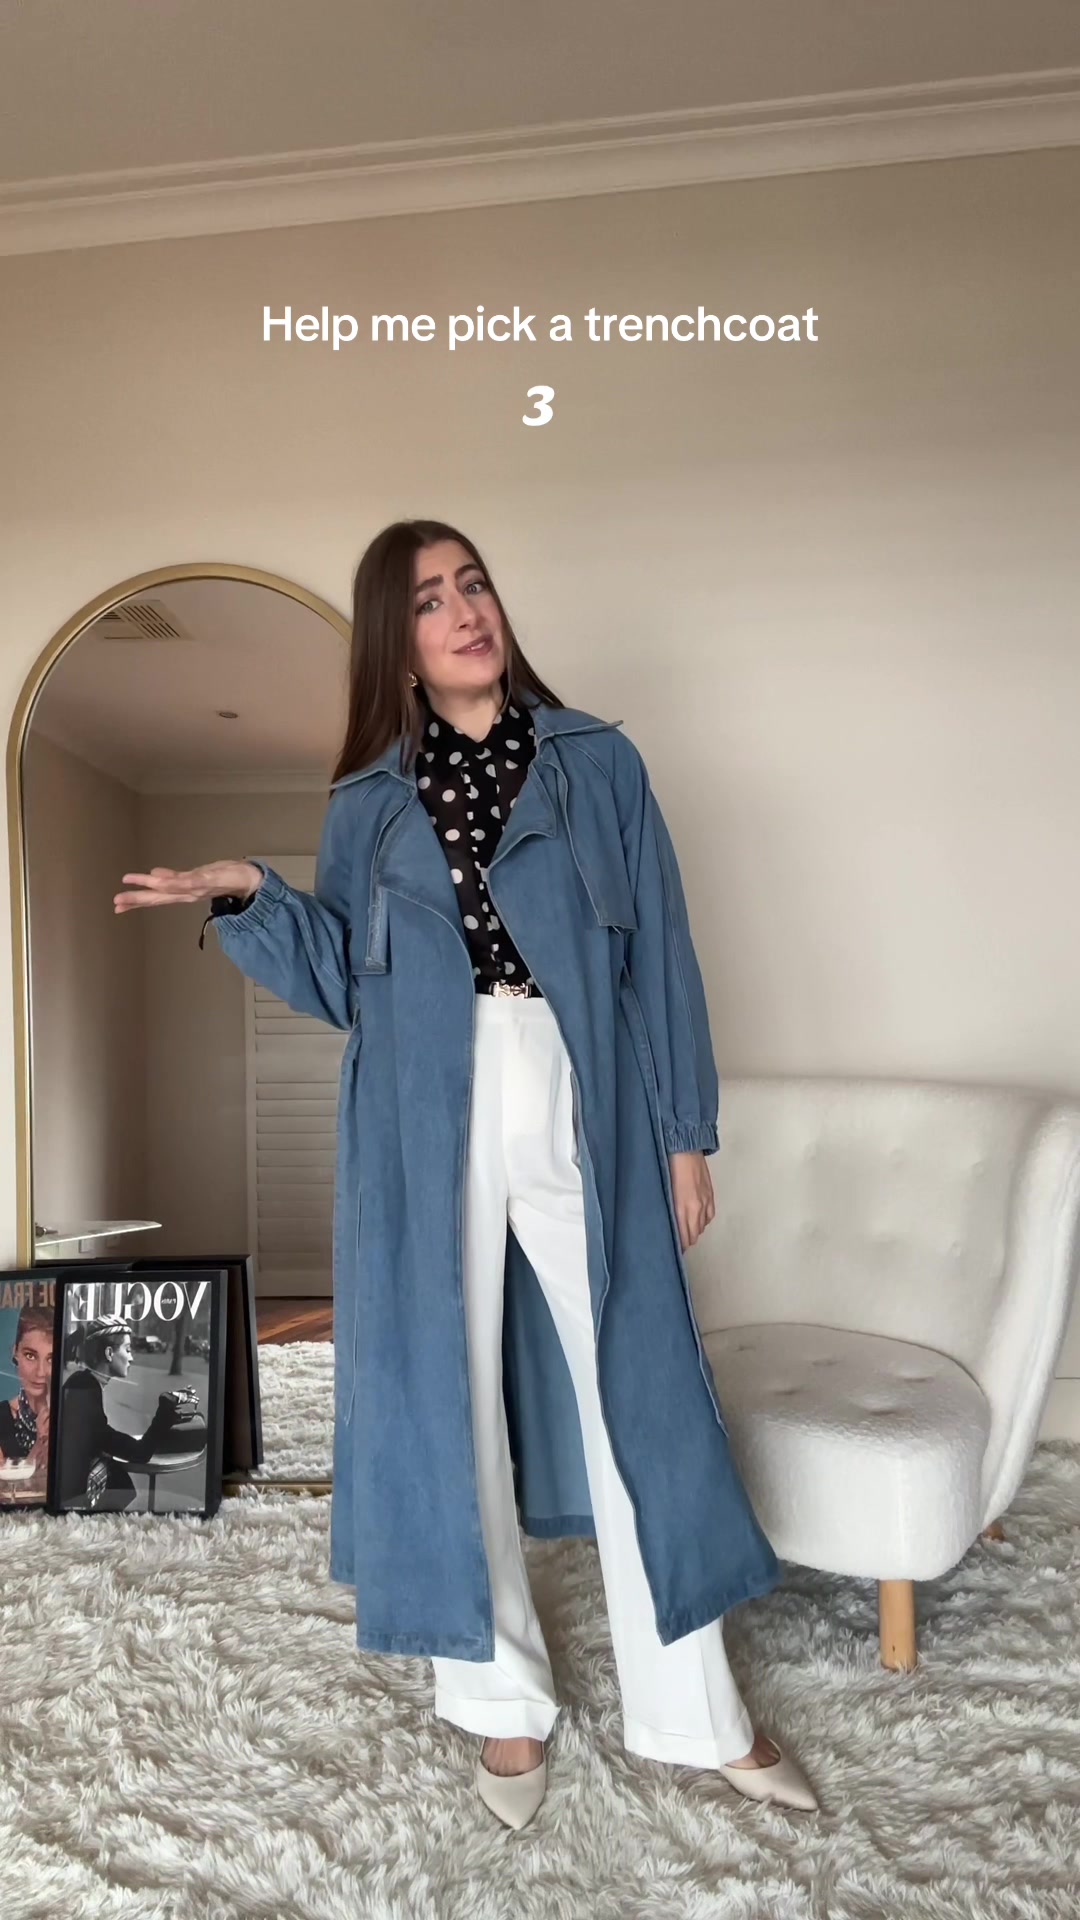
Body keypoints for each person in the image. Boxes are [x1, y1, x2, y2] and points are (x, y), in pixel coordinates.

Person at [113, 519, 818, 1827]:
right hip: (420, 1107)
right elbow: (349, 981)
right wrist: (250, 891)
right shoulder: (366, 801)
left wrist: (684, 1133)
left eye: (473, 584)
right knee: (447, 1396)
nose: (464, 611)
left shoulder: (597, 762)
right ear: (400, 639)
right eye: (431, 599)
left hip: (580, 1083)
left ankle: (698, 1713)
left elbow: (658, 952)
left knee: (641, 1392)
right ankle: (502, 1706)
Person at [0, 1302, 53, 1501]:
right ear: (15, 1352)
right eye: (30, 1356)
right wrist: (40, 1442)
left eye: (51, 1359)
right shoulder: (2, 1417)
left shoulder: (74, 1417)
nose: (40, 1372)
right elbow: (8, 1499)